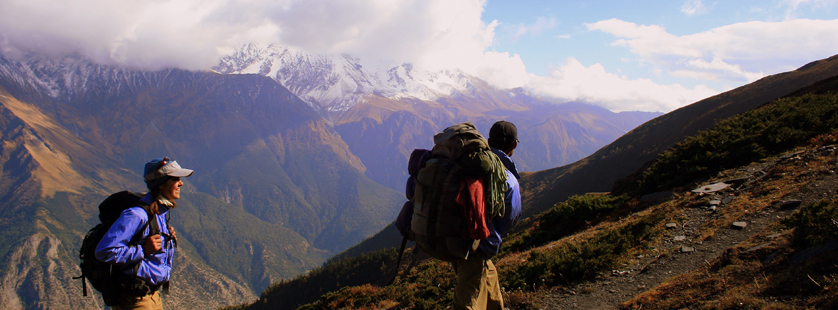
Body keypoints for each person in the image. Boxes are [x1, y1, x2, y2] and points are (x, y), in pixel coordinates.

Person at [95, 157, 193, 310]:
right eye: (176, 179)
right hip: (136, 298)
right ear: (160, 184)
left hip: (151, 295)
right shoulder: (137, 214)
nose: (181, 183)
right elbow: (104, 251)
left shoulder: (158, 211)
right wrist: (143, 250)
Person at [453, 120, 522, 310]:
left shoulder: (471, 163)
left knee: (489, 277)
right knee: (467, 302)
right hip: (476, 243)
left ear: (489, 140)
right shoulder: (507, 178)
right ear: (514, 145)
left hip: (456, 234)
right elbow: (510, 218)